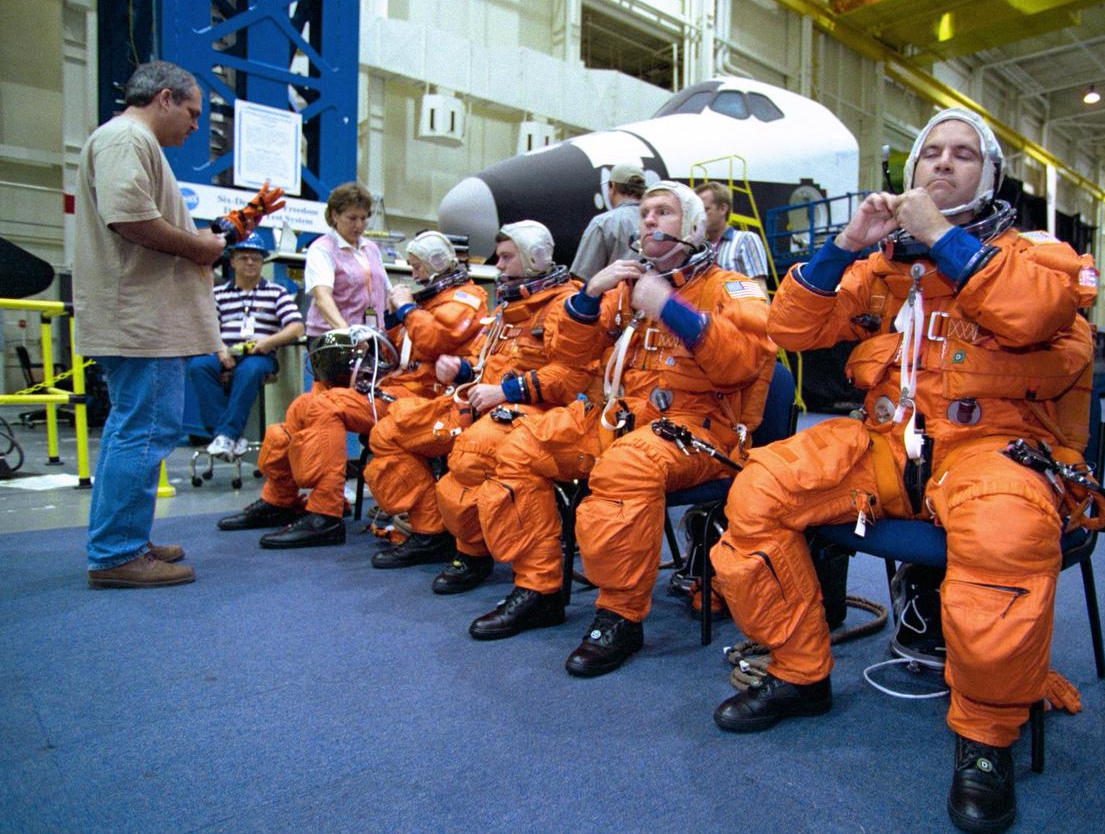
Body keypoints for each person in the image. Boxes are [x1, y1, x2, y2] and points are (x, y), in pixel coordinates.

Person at [705, 108, 1097, 833]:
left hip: (993, 449)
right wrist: (843, 246)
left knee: (1006, 535)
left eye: (964, 156)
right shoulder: (883, 264)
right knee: (758, 488)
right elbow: (792, 328)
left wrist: (945, 238)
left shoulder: (1040, 254)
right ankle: (798, 669)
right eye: (931, 155)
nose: (944, 165)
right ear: (912, 173)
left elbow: (1036, 317)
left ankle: (983, 739)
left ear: (992, 176)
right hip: (887, 444)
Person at [469, 181, 774, 663]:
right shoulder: (626, 286)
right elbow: (570, 358)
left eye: (664, 212)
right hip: (620, 418)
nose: (649, 220)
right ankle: (540, 588)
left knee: (627, 467)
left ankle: (620, 615)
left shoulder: (730, 288)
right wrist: (591, 294)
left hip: (699, 429)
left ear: (694, 227)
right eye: (645, 213)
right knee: (519, 449)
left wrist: (671, 310)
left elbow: (743, 366)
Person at [216, 231, 487, 548]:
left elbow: (435, 340)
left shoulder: (465, 300)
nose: (413, 274)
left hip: (423, 401)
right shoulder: (427, 300)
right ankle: (279, 498)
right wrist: (377, 330)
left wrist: (405, 309)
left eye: (416, 267)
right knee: (302, 407)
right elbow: (396, 348)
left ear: (436, 263)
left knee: (326, 407)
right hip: (393, 389)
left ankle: (325, 514)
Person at [72, 60, 229, 588]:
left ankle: (125, 540)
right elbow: (131, 218)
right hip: (142, 321)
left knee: (135, 431)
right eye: (191, 112)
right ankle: (116, 553)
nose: (194, 125)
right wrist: (203, 248)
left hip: (141, 317)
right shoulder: (125, 140)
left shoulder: (129, 144)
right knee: (142, 433)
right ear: (164, 98)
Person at [363, 220, 588, 572]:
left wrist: (504, 391)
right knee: (388, 433)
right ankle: (430, 532)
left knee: (470, 456)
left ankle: (474, 553)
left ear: (534, 257)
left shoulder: (564, 307)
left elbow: (571, 378)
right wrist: (462, 370)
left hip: (534, 412)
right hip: (480, 402)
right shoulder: (506, 310)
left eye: (505, 257)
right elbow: (485, 360)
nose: (497, 266)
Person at [183, 230, 303, 458]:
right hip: (225, 350)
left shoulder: (276, 292)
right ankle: (227, 435)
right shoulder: (217, 294)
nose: (250, 262)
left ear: (262, 261)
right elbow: (207, 328)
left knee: (251, 370)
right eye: (243, 257)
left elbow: (297, 327)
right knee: (198, 366)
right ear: (232, 261)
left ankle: (226, 435)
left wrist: (269, 341)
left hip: (259, 354)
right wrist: (220, 351)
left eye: (256, 258)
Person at [304, 182, 390, 337]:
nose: (359, 225)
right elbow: (322, 298)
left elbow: (386, 292)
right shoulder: (322, 249)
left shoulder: (371, 248)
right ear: (334, 215)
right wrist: (347, 334)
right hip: (333, 338)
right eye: (352, 218)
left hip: (371, 335)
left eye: (363, 218)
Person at [567, 162, 646, 281]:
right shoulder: (658, 220)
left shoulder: (603, 223)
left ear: (612, 187)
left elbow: (582, 278)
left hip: (615, 298)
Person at [696, 181, 770, 285]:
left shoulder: (745, 240)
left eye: (705, 209)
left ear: (723, 208)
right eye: (697, 211)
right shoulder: (699, 250)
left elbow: (758, 286)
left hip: (740, 300)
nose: (700, 216)